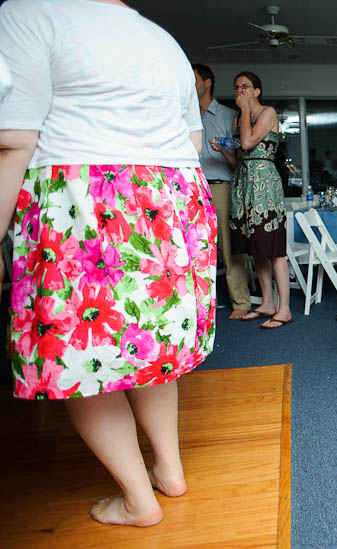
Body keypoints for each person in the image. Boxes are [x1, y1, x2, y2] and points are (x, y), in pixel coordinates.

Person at [0, 0, 216, 526]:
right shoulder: (164, 41)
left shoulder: (29, 14)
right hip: (172, 200)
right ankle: (169, 469)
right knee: (150, 346)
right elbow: (193, 142)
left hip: (89, 200)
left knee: (82, 357)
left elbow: (13, 143)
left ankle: (140, 500)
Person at [229, 71, 293, 329]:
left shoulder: (267, 112)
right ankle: (267, 302)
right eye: (236, 88)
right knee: (256, 248)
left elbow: (247, 142)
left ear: (256, 91)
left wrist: (244, 109)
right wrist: (224, 151)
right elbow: (239, 158)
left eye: (245, 87)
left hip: (265, 186)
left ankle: (284, 309)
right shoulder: (237, 117)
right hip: (243, 185)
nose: (240, 91)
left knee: (274, 248)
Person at [192, 63, 252, 320]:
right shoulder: (185, 116)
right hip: (192, 186)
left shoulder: (229, 116)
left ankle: (240, 301)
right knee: (194, 248)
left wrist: (224, 151)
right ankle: (196, 305)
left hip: (220, 186)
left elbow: (239, 161)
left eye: (193, 79)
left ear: (207, 83)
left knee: (229, 247)